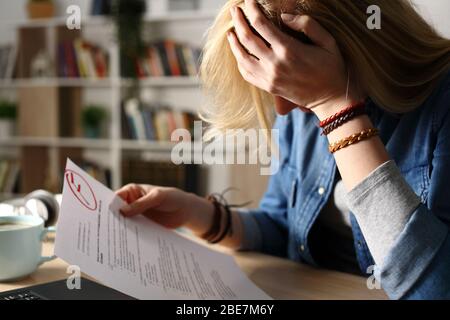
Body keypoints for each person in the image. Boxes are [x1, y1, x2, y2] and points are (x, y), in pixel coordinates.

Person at [116, 0, 450, 299]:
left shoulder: (441, 102)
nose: (282, 109)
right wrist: (199, 214)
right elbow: (283, 229)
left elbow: (437, 289)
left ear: (360, 44)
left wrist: (335, 108)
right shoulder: (301, 107)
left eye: (293, 77)